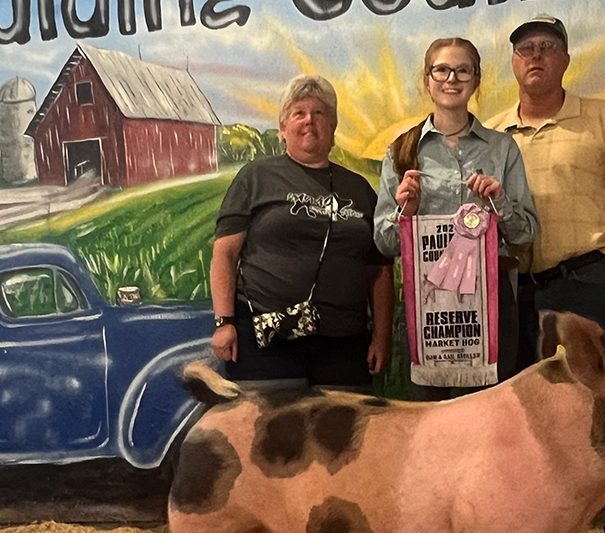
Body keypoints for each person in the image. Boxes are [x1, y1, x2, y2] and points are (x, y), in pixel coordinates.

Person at [487, 15, 605, 533]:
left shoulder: (602, 119)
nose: (535, 56)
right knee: (522, 417)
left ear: (566, 60)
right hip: (516, 289)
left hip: (587, 282)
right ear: (513, 64)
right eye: (525, 49)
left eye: (547, 48)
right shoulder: (492, 135)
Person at [374, 36, 538, 395]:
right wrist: (406, 211)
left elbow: (526, 235)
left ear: (476, 80)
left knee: (488, 425)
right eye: (442, 70)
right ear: (427, 80)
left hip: (491, 303)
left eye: (463, 70)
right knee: (429, 426)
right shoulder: (401, 151)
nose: (452, 78)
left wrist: (500, 204)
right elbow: (384, 244)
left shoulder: (502, 149)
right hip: (427, 307)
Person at [210, 74, 394, 391]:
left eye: (320, 113)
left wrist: (381, 336)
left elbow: (379, 269)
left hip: (344, 344)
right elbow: (225, 254)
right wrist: (225, 323)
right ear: (283, 129)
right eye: (299, 113)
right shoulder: (255, 177)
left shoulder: (360, 189)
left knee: (342, 436)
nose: (310, 121)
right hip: (268, 340)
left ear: (333, 129)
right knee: (272, 436)